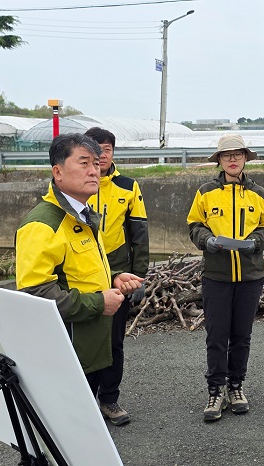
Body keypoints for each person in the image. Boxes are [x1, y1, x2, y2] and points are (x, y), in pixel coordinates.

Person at [15, 133, 142, 396]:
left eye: (96, 163)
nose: (94, 171)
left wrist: (114, 277)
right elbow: (34, 293)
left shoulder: (83, 215)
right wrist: (99, 302)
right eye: (83, 163)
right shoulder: (43, 224)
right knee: (64, 417)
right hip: (68, 350)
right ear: (58, 172)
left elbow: (78, 268)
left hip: (89, 348)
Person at [186, 134, 264, 422]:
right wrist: (207, 240)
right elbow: (194, 225)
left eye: (238, 154)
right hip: (216, 276)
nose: (233, 159)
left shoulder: (259, 194)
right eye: (227, 155)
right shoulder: (205, 192)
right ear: (220, 160)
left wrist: (255, 243)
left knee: (241, 335)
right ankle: (215, 390)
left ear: (245, 158)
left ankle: (236, 386)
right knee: (216, 335)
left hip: (250, 276)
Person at [84, 126, 149, 427]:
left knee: (114, 342)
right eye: (95, 149)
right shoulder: (78, 185)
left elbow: (140, 235)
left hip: (119, 275)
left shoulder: (128, 186)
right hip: (84, 275)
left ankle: (109, 398)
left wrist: (139, 276)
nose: (102, 155)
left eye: (107, 149)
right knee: (84, 341)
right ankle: (83, 401)